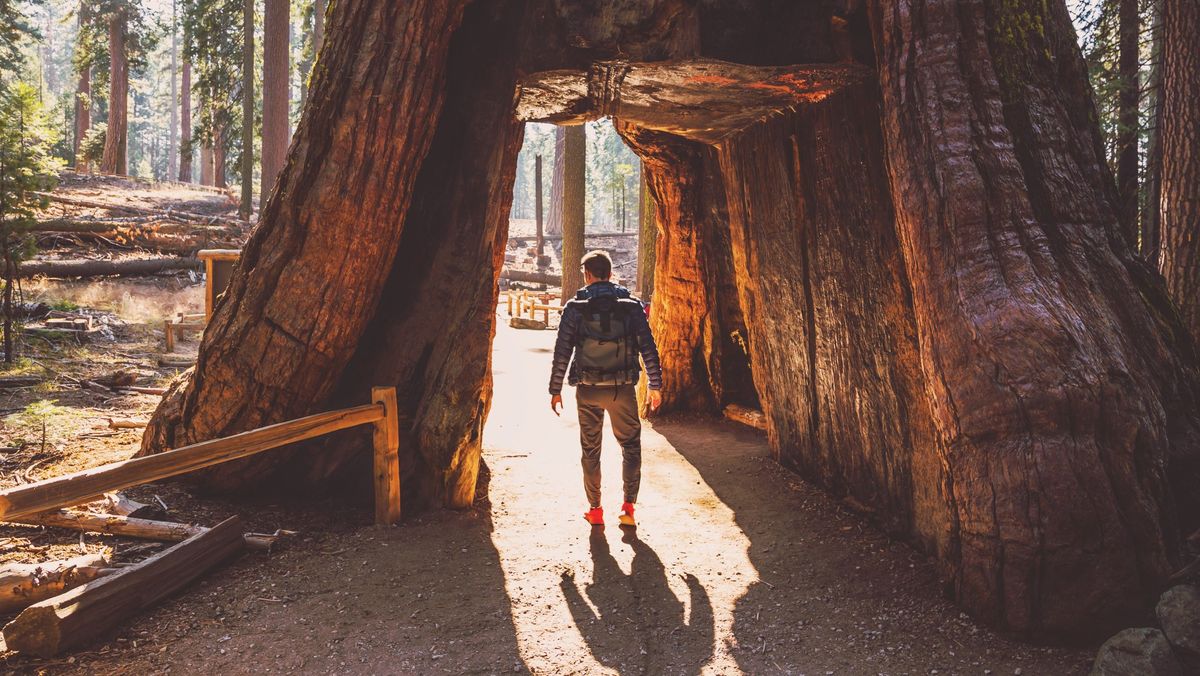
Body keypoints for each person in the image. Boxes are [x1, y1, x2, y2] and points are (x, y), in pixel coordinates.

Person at [549, 250, 663, 527]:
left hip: (587, 389)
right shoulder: (631, 306)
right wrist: (655, 386)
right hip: (621, 389)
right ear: (610, 274)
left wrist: (555, 389)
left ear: (587, 275)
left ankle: (595, 509)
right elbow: (648, 347)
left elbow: (562, 351)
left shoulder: (575, 308)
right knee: (631, 446)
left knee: (591, 450)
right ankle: (628, 509)